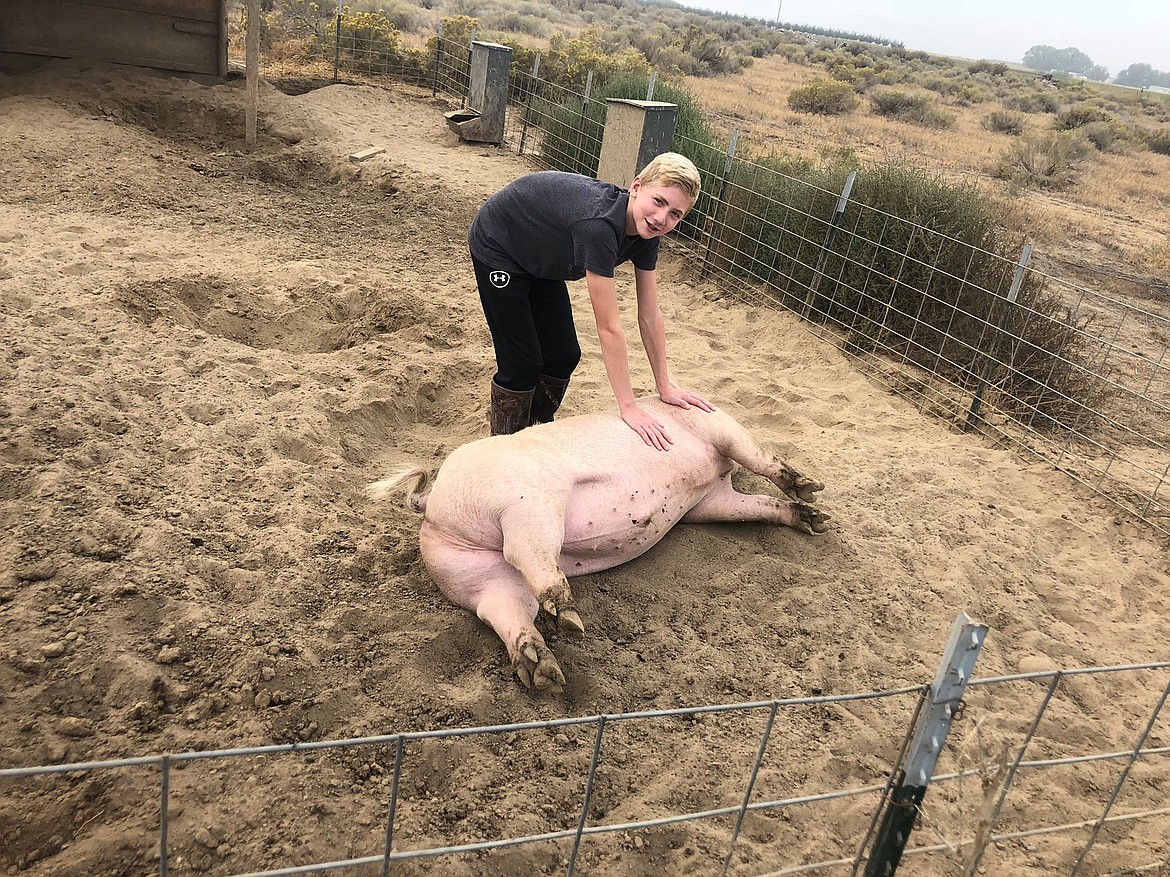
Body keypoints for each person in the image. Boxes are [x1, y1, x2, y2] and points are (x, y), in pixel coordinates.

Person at [468, 151, 714, 450]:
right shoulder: (599, 226)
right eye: (659, 201)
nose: (662, 218)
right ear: (636, 187)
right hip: (501, 244)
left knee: (564, 355)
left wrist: (664, 385)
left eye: (675, 214)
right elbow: (609, 327)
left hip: (544, 256)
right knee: (523, 363)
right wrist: (628, 406)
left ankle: (537, 430)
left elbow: (649, 315)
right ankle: (502, 449)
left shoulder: (647, 233)